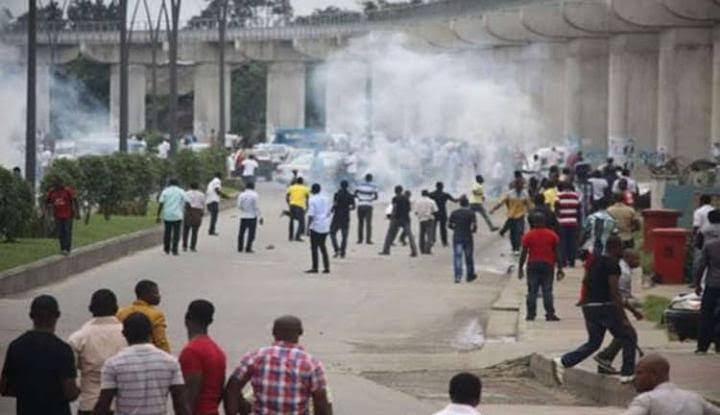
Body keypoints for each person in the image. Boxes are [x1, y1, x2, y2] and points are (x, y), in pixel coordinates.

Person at [554, 236, 638, 384]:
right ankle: (627, 374)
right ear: (615, 248)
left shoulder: (595, 261)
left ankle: (563, 361)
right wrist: (623, 317)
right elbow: (615, 293)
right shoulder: (613, 265)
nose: (622, 251)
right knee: (629, 336)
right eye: (621, 248)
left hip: (589, 307)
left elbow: (587, 281)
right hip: (604, 307)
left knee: (594, 343)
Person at [224, 316, 330, 415]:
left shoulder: (256, 356)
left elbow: (232, 388)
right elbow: (321, 404)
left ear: (273, 332)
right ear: (301, 332)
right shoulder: (312, 363)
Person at [95, 313, 190, 415]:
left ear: (124, 333)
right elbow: (181, 405)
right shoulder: (170, 362)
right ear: (151, 332)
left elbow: (103, 406)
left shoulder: (113, 364)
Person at [0, 295, 80, 414]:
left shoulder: (16, 346)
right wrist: (80, 390)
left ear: (31, 316)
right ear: (57, 315)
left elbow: (4, 388)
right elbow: (70, 393)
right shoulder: (63, 350)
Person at [68, 289, 126, 415]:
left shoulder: (78, 338)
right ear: (116, 308)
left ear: (91, 309)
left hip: (90, 403)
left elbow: (71, 372)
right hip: (121, 403)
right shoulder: (127, 334)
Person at [595, 249, 644, 374]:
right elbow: (617, 296)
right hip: (611, 306)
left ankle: (605, 359)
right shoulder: (624, 273)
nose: (639, 262)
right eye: (636, 259)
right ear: (627, 258)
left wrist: (633, 312)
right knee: (628, 334)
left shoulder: (623, 268)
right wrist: (625, 315)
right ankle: (626, 369)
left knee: (624, 334)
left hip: (608, 305)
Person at [623, 354, 720, 415]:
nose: (635, 378)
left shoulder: (647, 400)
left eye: (639, 373)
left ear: (653, 375)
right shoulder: (694, 398)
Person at [179, 300, 226, 415]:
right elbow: (220, 390)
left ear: (186, 319)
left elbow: (190, 395)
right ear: (210, 321)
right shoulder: (218, 351)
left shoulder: (191, 351)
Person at [518, 211, 564, 321]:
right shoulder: (552, 235)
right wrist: (560, 268)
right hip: (548, 265)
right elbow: (557, 253)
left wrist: (520, 268)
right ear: (544, 222)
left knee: (532, 290)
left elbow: (524, 253)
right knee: (547, 290)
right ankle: (549, 314)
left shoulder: (528, 235)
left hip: (533, 264)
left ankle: (531, 314)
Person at [117, 280, 171, 353]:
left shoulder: (121, 313)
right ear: (146, 294)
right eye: (156, 293)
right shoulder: (156, 315)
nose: (159, 296)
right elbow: (161, 342)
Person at [693, 224, 720, 355]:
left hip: (712, 284)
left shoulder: (710, 245)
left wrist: (697, 284)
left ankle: (703, 346)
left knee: (706, 315)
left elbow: (701, 266)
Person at [491, 179, 533, 255]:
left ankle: (517, 248)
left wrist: (532, 213)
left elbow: (529, 205)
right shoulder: (510, 194)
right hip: (511, 216)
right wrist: (494, 209)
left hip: (520, 216)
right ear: (515, 186)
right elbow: (501, 202)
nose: (520, 187)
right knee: (513, 233)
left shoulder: (525, 194)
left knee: (519, 232)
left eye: (521, 185)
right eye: (518, 185)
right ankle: (514, 247)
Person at [380, 185, 418, 257]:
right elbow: (409, 209)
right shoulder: (406, 198)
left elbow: (394, 208)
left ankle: (386, 250)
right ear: (401, 190)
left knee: (389, 235)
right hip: (406, 219)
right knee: (410, 236)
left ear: (395, 191)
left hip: (396, 219)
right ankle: (414, 251)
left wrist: (391, 216)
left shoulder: (395, 198)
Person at [45, 176, 80, 255]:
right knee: (60, 232)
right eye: (54, 183)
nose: (55, 185)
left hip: (68, 215)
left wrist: (77, 212)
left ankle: (67, 249)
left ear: (61, 183)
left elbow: (75, 200)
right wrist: (45, 212)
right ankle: (62, 248)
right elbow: (47, 201)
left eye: (57, 183)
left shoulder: (67, 191)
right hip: (57, 215)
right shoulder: (52, 192)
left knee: (67, 231)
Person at [448, 196, 478, 283]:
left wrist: (456, 228)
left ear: (460, 203)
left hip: (457, 236)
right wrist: (472, 230)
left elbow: (449, 225)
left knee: (457, 257)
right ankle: (470, 275)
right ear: (467, 203)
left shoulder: (454, 213)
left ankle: (458, 276)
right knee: (469, 257)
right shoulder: (471, 213)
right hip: (467, 236)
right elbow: (474, 226)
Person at [157, 178, 189, 256]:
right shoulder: (181, 191)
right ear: (178, 183)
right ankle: (175, 249)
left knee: (167, 232)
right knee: (176, 233)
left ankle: (166, 248)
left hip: (167, 215)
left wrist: (158, 215)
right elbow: (187, 201)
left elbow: (161, 203)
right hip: (178, 215)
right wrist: (185, 210)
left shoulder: (165, 191)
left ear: (169, 183)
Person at [307, 183, 332, 274]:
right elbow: (329, 211)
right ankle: (326, 267)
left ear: (313, 190)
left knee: (314, 247)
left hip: (315, 225)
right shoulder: (326, 199)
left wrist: (307, 227)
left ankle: (315, 267)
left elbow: (311, 215)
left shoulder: (312, 200)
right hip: (325, 225)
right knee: (323, 246)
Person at [556, 181, 581, 268]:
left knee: (563, 242)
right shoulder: (576, 196)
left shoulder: (559, 196)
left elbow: (557, 209)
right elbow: (578, 210)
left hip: (562, 222)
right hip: (573, 222)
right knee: (572, 242)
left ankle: (563, 261)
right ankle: (572, 261)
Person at [330, 180, 356, 258]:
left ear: (340, 186)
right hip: (346, 217)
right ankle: (343, 252)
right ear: (347, 186)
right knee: (344, 236)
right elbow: (353, 207)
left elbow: (334, 204)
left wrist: (332, 210)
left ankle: (336, 249)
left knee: (332, 233)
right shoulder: (350, 195)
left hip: (337, 217)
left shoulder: (337, 194)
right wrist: (348, 209)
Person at [429, 182, 458, 247]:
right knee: (443, 228)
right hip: (442, 213)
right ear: (442, 187)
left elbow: (427, 203)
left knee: (433, 228)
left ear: (436, 186)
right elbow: (454, 200)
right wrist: (461, 199)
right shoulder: (445, 194)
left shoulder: (431, 194)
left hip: (434, 213)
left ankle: (432, 241)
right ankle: (444, 242)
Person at [237, 182, 262, 253]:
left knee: (241, 232)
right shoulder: (255, 195)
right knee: (251, 233)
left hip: (243, 216)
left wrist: (243, 210)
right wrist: (260, 216)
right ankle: (248, 247)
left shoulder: (242, 195)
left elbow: (239, 205)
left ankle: (240, 247)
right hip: (252, 216)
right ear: (253, 187)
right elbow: (256, 207)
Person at [355, 174, 379, 244]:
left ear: (365, 178)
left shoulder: (360, 184)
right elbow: (376, 197)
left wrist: (360, 198)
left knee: (360, 223)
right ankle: (368, 240)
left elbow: (355, 193)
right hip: (368, 205)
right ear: (371, 179)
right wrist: (370, 199)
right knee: (368, 224)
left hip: (360, 205)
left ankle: (360, 240)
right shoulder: (374, 186)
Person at [183, 182, 205, 252]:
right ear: (198, 187)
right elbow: (203, 204)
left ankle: (184, 246)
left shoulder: (186, 193)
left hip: (188, 212)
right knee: (195, 231)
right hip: (197, 212)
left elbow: (184, 203)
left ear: (190, 186)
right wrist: (202, 213)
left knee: (186, 230)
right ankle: (193, 247)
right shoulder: (201, 194)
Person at [287, 177, 311, 242]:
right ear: (302, 182)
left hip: (292, 205)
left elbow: (287, 196)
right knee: (301, 222)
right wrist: (307, 207)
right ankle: (297, 236)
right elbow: (308, 198)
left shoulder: (291, 187)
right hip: (300, 206)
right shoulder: (305, 188)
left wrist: (289, 204)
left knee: (291, 221)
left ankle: (290, 237)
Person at [416, 189, 439, 255]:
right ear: (428, 194)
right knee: (429, 236)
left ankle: (422, 249)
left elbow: (416, 212)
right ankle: (427, 250)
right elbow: (435, 211)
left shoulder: (418, 201)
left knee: (421, 235)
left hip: (421, 219)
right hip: (429, 219)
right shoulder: (431, 201)